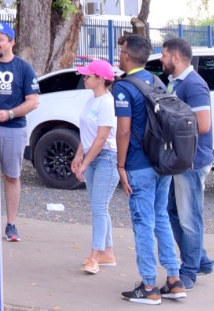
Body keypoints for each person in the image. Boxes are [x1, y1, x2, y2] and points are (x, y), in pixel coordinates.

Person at [114, 33, 185, 304]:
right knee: (161, 217)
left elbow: (123, 131)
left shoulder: (123, 87)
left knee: (143, 222)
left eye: (121, 51)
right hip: (161, 162)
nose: (119, 55)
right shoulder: (156, 81)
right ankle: (174, 280)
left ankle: (148, 286)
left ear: (127, 56)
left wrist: (121, 165)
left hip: (138, 164)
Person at [162, 36, 214, 290]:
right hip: (179, 160)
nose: (161, 60)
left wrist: (169, 122)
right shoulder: (175, 82)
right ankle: (200, 259)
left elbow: (203, 124)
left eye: (164, 55)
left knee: (189, 219)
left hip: (191, 161)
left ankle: (189, 271)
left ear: (176, 56)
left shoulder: (194, 84)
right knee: (172, 212)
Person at [70, 58, 120, 275]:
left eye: (88, 75)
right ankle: (107, 253)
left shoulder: (107, 102)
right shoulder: (92, 100)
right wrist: (78, 155)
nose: (84, 78)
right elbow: (88, 133)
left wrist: (85, 162)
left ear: (100, 79)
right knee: (99, 207)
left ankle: (95, 257)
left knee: (99, 208)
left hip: (106, 158)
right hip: (93, 157)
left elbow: (101, 138)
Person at [0, 24, 39, 242]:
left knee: (11, 176)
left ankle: (11, 225)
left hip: (13, 130)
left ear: (12, 42)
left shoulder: (23, 68)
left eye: (0, 39)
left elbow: (33, 101)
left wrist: (10, 114)